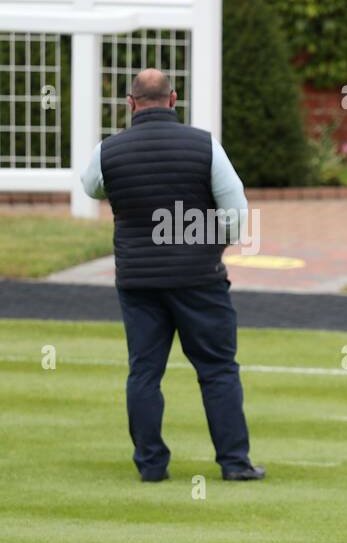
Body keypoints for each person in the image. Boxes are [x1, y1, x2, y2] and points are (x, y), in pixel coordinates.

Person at [81, 69, 263, 483]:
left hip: (137, 280)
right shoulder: (205, 145)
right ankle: (234, 463)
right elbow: (236, 214)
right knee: (217, 369)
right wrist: (212, 244)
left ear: (130, 103)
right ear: (173, 98)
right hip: (200, 278)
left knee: (144, 371)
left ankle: (151, 465)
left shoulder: (108, 150)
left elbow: (92, 188)